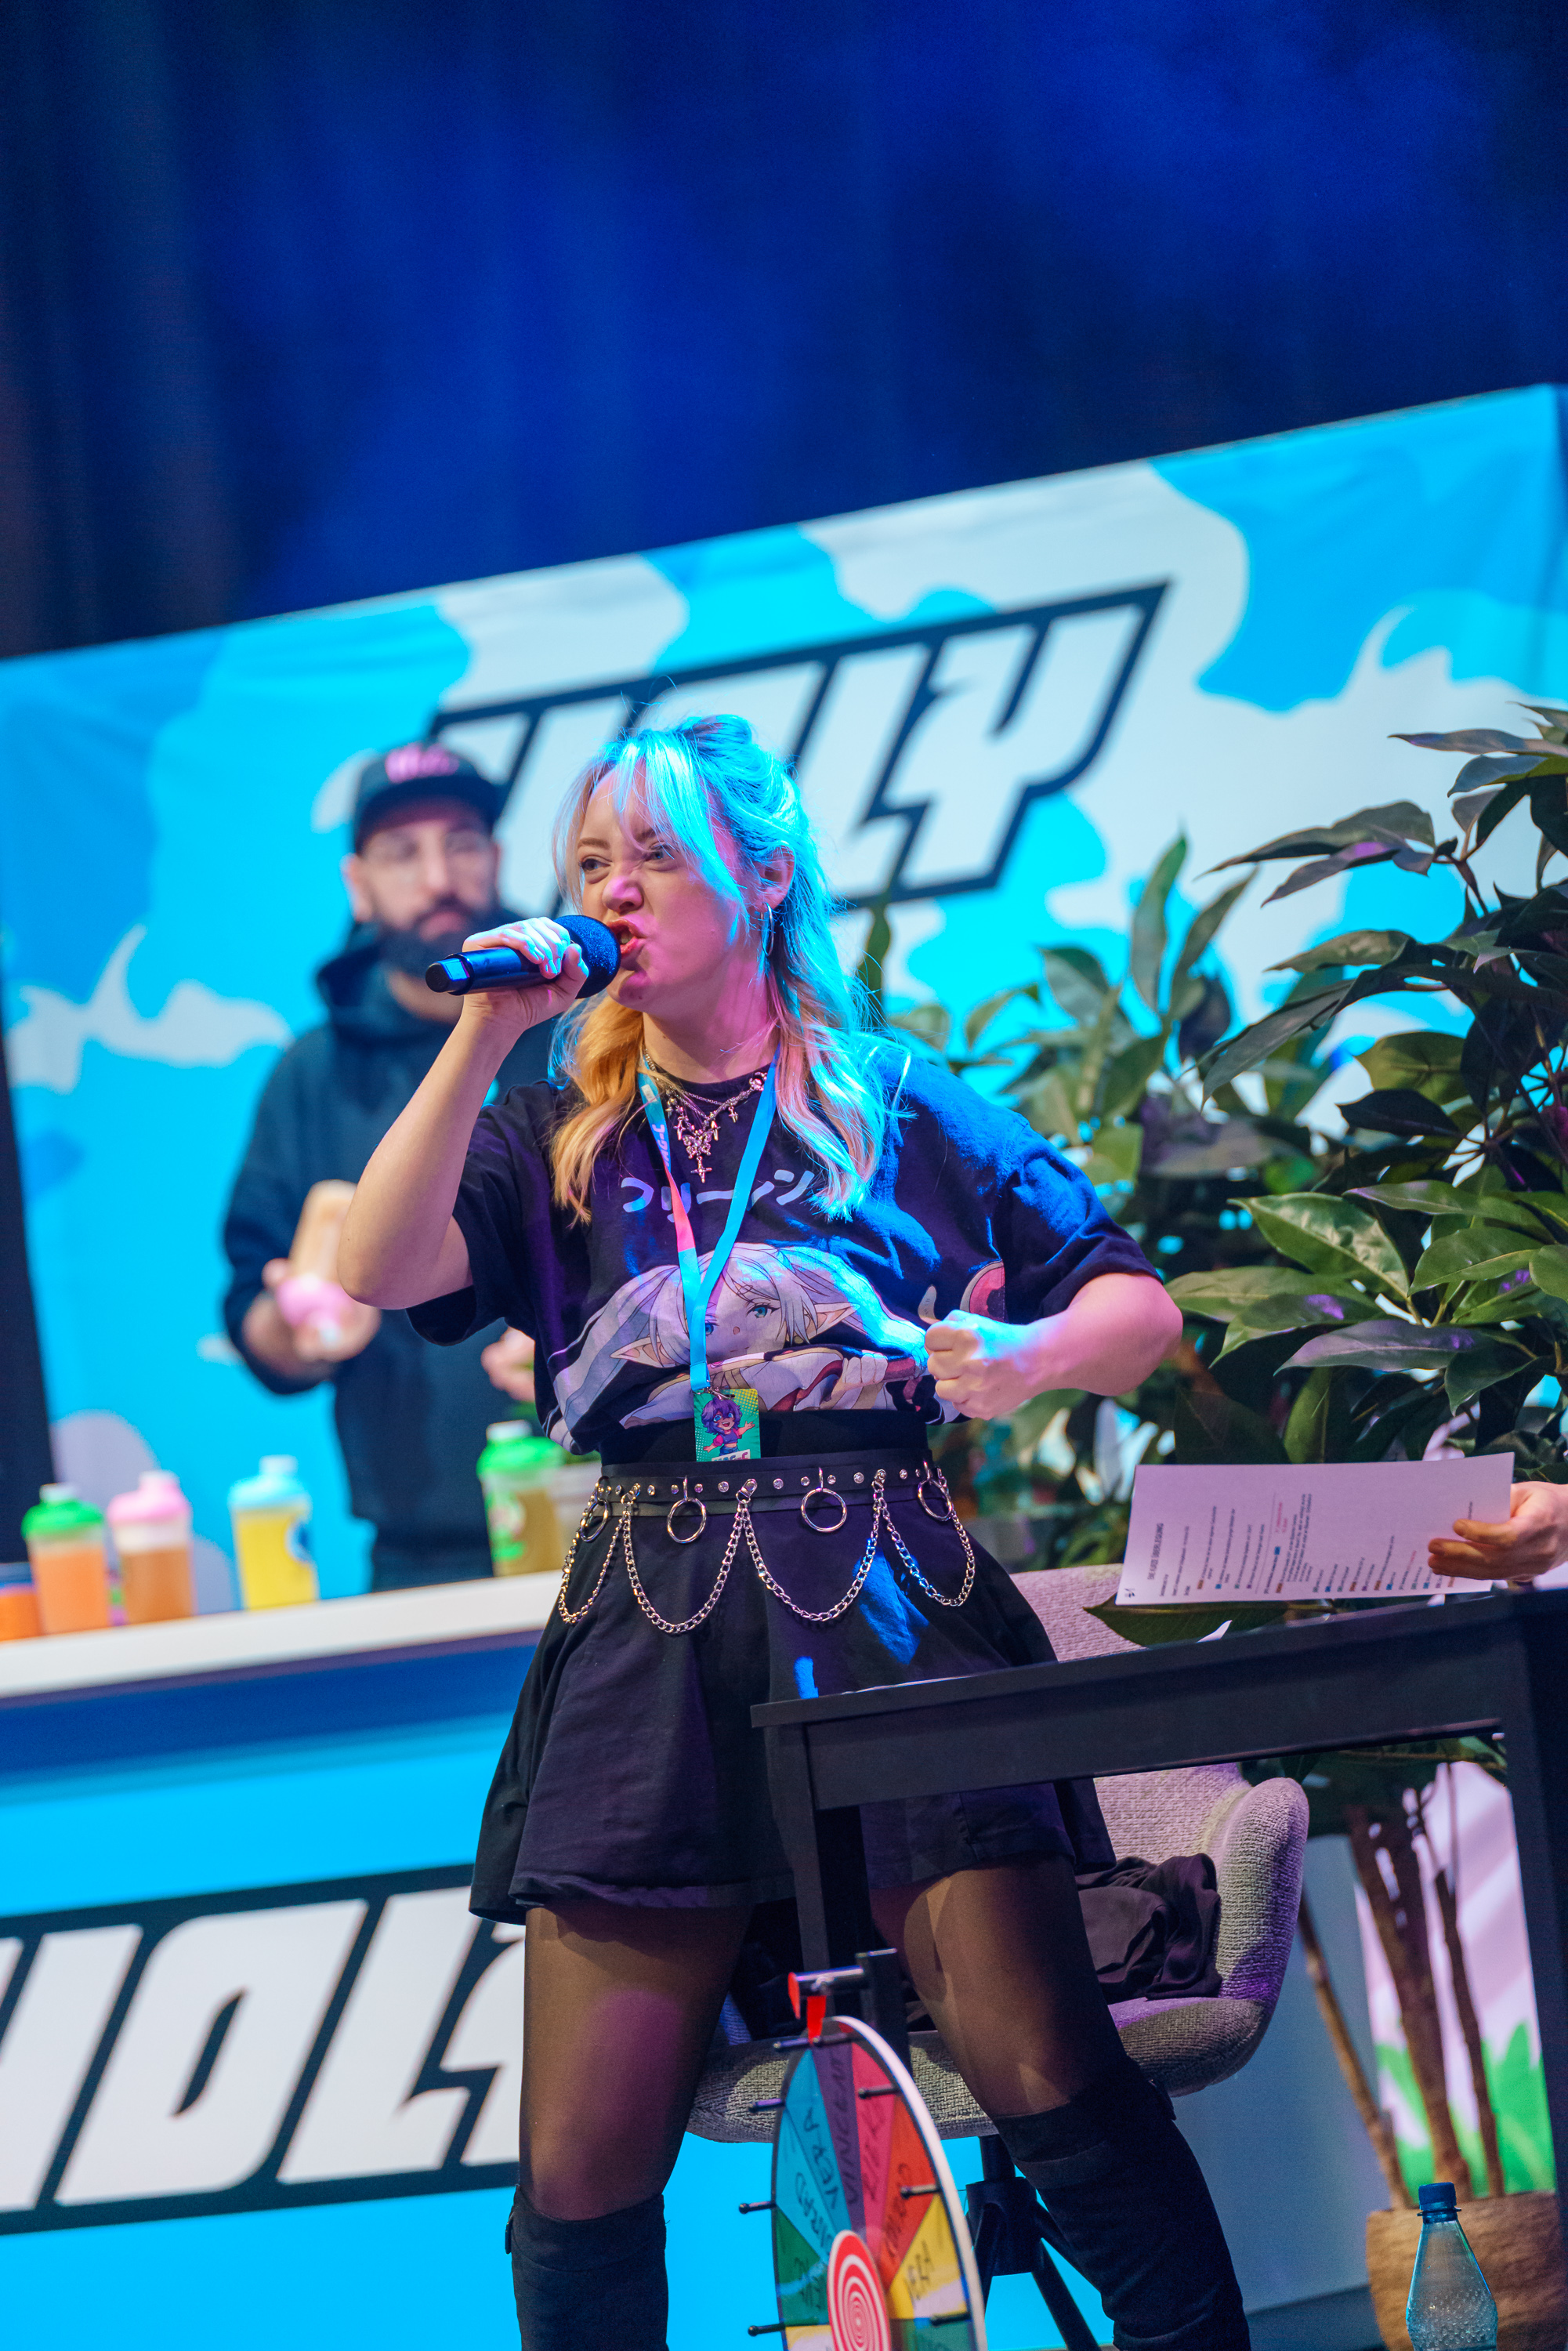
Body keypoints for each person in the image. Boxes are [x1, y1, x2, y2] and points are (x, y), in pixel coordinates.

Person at [337, 712, 1239, 2349]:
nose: (613, 889)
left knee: (1047, 2069)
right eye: (589, 862)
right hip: (652, 1626)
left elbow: (1136, 1306)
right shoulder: (553, 1121)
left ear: (762, 879)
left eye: (653, 855)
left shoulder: (892, 1097)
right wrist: (481, 1037)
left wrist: (1028, 1354)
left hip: (890, 1596)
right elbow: (377, 1271)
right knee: (579, 2165)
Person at [222, 741, 549, 1591]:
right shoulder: (313, 1074)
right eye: (403, 852)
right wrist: (298, 1326)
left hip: (617, 1519)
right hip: (418, 1559)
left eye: (462, 843)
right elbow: (254, 1314)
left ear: (497, 859)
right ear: (358, 884)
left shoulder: (585, 1037)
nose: (439, 877)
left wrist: (579, 1329)